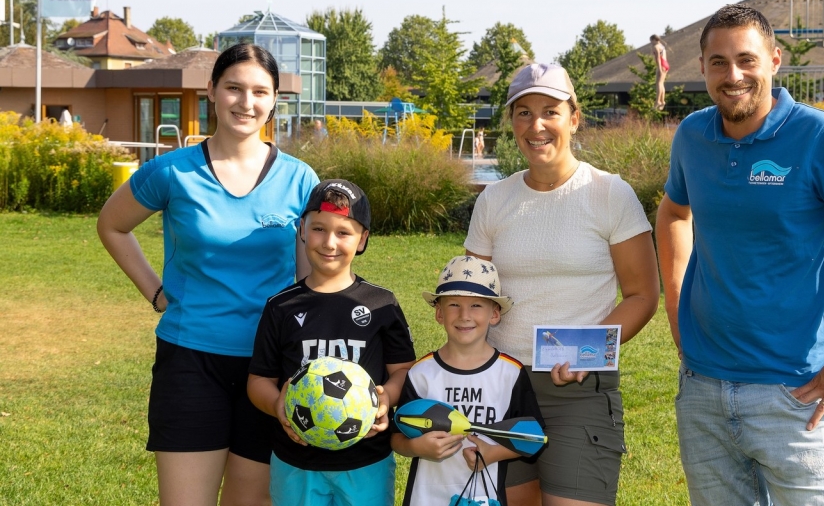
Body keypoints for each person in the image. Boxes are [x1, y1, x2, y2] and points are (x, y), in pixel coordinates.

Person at [655, 4, 824, 506]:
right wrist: (674, 300)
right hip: (703, 390)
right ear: (703, 67)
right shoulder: (692, 136)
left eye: (747, 60)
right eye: (718, 63)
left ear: (774, 61)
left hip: (795, 395)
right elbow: (673, 215)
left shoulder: (820, 137)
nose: (734, 76)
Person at [96, 43, 320, 506]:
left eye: (260, 91)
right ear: (212, 91)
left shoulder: (300, 180)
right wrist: (157, 294)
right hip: (190, 361)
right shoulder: (171, 171)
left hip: (271, 367)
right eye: (234, 88)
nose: (246, 102)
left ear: (275, 98)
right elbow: (112, 225)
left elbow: (308, 285)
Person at [464, 63, 660, 506]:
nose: (536, 126)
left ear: (574, 118)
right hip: (503, 389)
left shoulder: (609, 193)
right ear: (510, 121)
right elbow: (472, 297)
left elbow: (643, 295)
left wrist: (585, 353)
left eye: (550, 111)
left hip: (579, 392)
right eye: (523, 112)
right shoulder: (494, 199)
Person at [248, 179, 417, 506]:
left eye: (344, 232)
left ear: (363, 239)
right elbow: (258, 380)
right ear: (301, 229)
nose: (329, 242)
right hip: (295, 462)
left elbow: (404, 371)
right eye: (319, 229)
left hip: (366, 462)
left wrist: (386, 401)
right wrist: (277, 406)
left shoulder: (381, 304)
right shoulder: (280, 307)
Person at [392, 255, 543, 506]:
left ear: (494, 313)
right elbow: (397, 437)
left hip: (485, 497)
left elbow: (535, 437)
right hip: (426, 497)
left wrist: (492, 453)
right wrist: (418, 449)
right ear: (439, 313)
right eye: (453, 305)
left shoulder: (510, 374)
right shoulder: (421, 374)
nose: (464, 315)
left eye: (476, 306)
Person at [650, 34, 669, 111]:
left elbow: (657, 58)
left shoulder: (656, 47)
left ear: (654, 40)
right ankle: (662, 101)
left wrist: (659, 68)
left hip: (662, 65)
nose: (651, 43)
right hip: (666, 64)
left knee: (658, 83)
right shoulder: (662, 46)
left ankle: (657, 101)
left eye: (651, 41)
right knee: (662, 83)